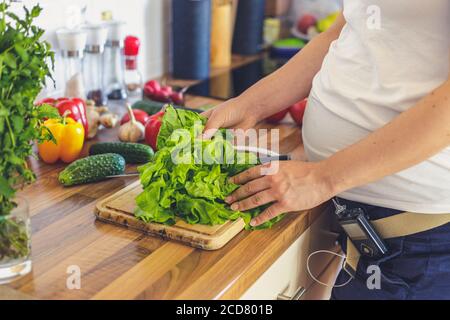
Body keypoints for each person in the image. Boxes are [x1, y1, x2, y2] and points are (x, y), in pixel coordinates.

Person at [201, 0, 450, 299]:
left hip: (418, 248)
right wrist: (249, 105)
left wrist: (321, 179)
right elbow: (343, 31)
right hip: (370, 232)